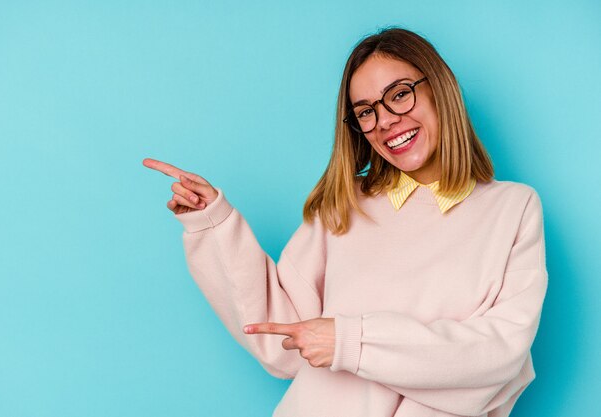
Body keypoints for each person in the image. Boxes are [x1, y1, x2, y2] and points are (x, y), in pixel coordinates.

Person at [143, 27, 547, 417]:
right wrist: (213, 222)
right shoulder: (343, 204)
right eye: (366, 112)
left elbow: (499, 356)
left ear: (441, 89)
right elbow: (283, 339)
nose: (385, 121)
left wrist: (348, 341)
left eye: (400, 95)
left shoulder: (513, 209)